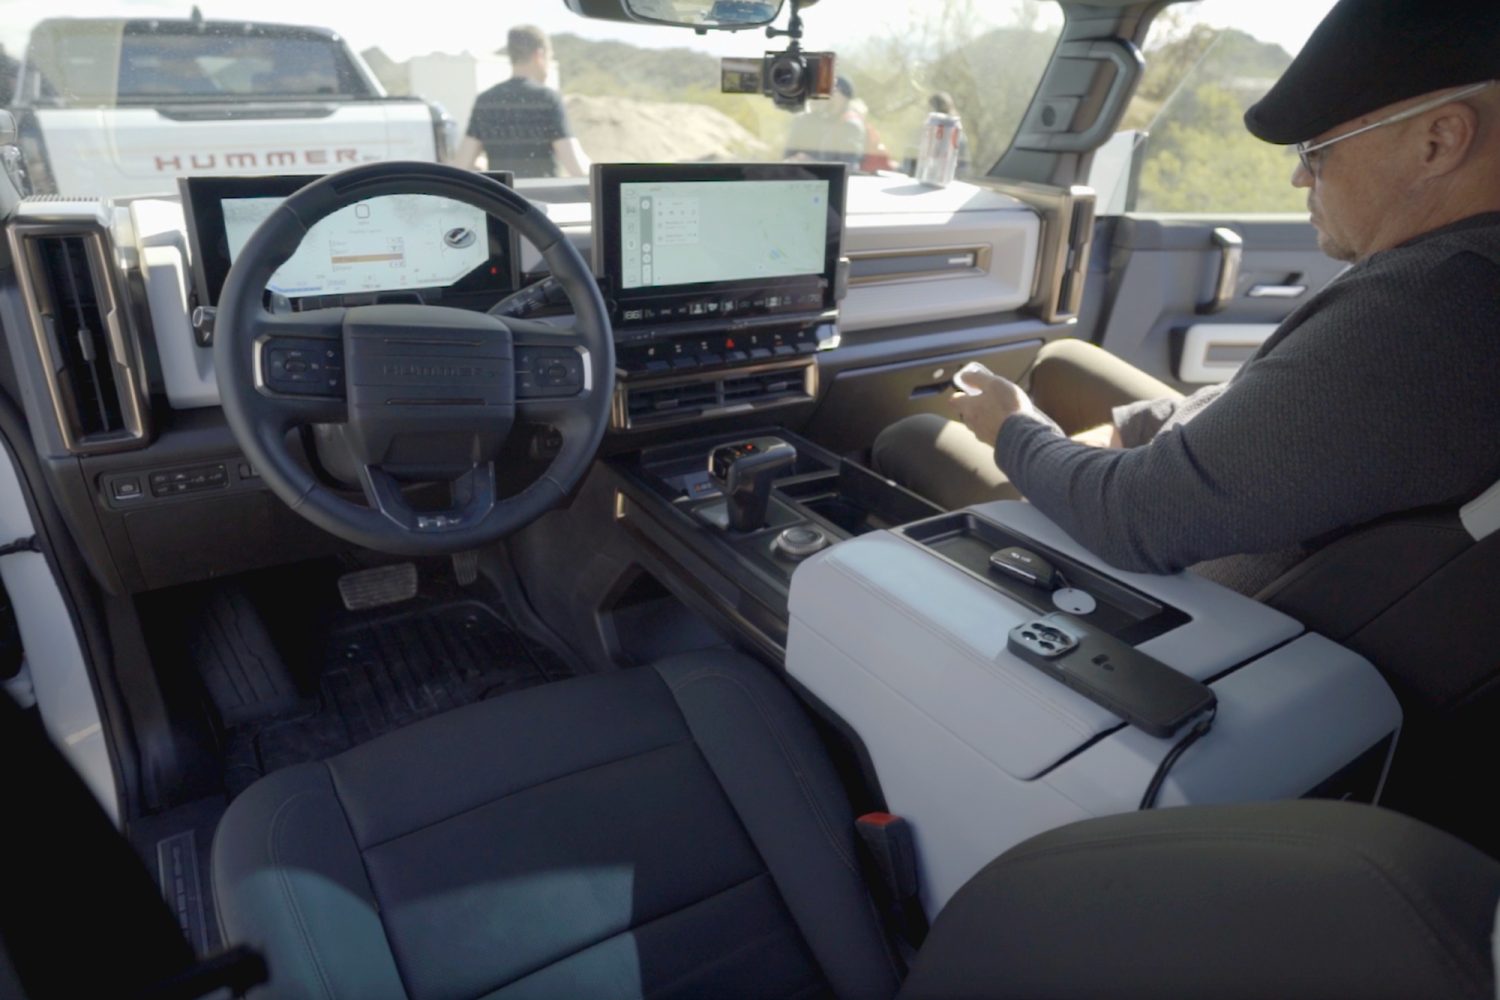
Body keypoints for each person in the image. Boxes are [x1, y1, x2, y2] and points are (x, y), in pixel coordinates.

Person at [872, 0, 1500, 596]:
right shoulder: (1449, 278)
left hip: (1188, 595)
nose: (1299, 175)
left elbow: (1138, 519)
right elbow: (1278, 417)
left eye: (1317, 150)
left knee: (912, 435)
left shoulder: (1430, 307)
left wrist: (1014, 430)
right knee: (1063, 363)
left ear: (1439, 140)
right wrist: (1123, 438)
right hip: (1229, 514)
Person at [457, 25, 589, 178]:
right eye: (550, 58)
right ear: (539, 55)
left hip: (503, 199)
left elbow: (462, 166)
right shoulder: (547, 99)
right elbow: (577, 168)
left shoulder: (485, 100)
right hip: (539, 200)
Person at [784, 75, 866, 167]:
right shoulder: (823, 120)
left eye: (832, 93)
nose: (827, 98)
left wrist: (811, 162)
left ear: (844, 98)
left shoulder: (850, 125)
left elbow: (849, 165)